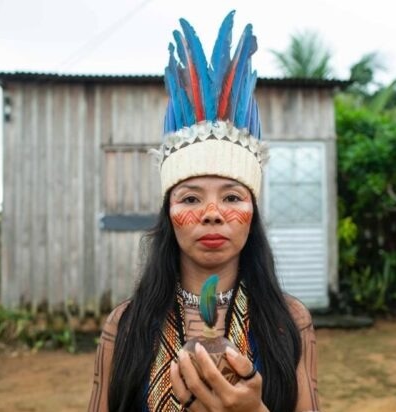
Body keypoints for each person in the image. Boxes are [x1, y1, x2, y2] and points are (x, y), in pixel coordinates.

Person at [88, 10, 320, 412]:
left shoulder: (288, 320)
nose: (212, 213)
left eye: (231, 197)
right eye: (191, 199)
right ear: (168, 213)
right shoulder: (125, 324)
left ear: (253, 213)